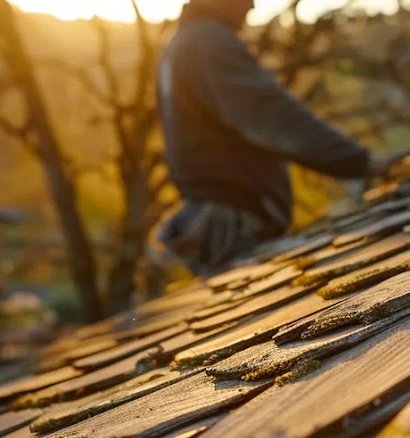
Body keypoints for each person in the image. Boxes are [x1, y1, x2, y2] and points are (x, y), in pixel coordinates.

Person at [155, 0, 396, 276]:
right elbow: (273, 116)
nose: (253, 6)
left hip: (218, 223)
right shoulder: (207, 44)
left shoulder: (186, 43)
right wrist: (360, 163)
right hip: (232, 227)